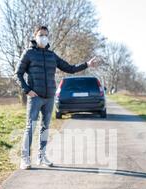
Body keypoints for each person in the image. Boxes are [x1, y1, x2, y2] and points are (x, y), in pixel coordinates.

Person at [15, 26, 98, 170]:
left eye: (46, 35)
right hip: (35, 97)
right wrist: (27, 90)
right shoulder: (28, 54)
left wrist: (87, 64)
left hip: (49, 97)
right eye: (41, 35)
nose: (43, 37)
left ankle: (41, 157)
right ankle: (25, 159)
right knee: (31, 127)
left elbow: (69, 68)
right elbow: (18, 74)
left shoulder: (52, 55)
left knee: (45, 128)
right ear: (35, 37)